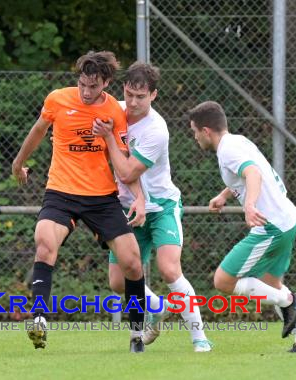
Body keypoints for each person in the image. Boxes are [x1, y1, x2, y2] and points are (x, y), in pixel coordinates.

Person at [12, 51, 147, 353]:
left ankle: (137, 333)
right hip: (61, 192)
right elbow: (38, 131)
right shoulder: (58, 99)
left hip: (101, 197)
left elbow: (123, 162)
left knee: (133, 262)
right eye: (83, 84)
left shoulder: (114, 111)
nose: (86, 92)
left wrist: (138, 196)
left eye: (93, 86)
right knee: (45, 242)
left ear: (107, 83)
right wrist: (18, 163)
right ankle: (39, 320)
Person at [92, 62, 213, 353]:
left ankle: (200, 338)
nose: (133, 102)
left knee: (169, 269)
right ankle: (157, 307)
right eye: (130, 94)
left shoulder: (156, 130)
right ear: (123, 89)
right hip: (126, 208)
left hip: (161, 206)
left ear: (154, 95)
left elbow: (128, 173)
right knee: (118, 282)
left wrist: (108, 137)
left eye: (141, 97)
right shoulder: (113, 111)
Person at [187, 101, 296, 353]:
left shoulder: (228, 150)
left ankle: (292, 301)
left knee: (223, 281)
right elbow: (247, 173)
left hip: (272, 227)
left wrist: (249, 204)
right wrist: (225, 195)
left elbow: (254, 174)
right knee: (271, 284)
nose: (194, 137)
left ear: (206, 130)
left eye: (194, 131)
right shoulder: (237, 141)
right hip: (288, 218)